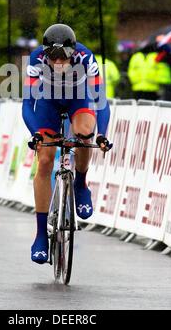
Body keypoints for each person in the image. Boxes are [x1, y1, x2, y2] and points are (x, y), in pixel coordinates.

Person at [22, 24, 112, 264]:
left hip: (76, 99)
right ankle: (41, 235)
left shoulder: (86, 57)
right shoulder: (36, 59)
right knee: (44, 161)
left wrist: (101, 134)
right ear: (46, 55)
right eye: (54, 58)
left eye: (65, 57)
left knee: (84, 133)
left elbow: (100, 101)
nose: (59, 62)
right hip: (47, 105)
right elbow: (27, 104)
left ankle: (81, 185)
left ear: (74, 53)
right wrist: (36, 134)